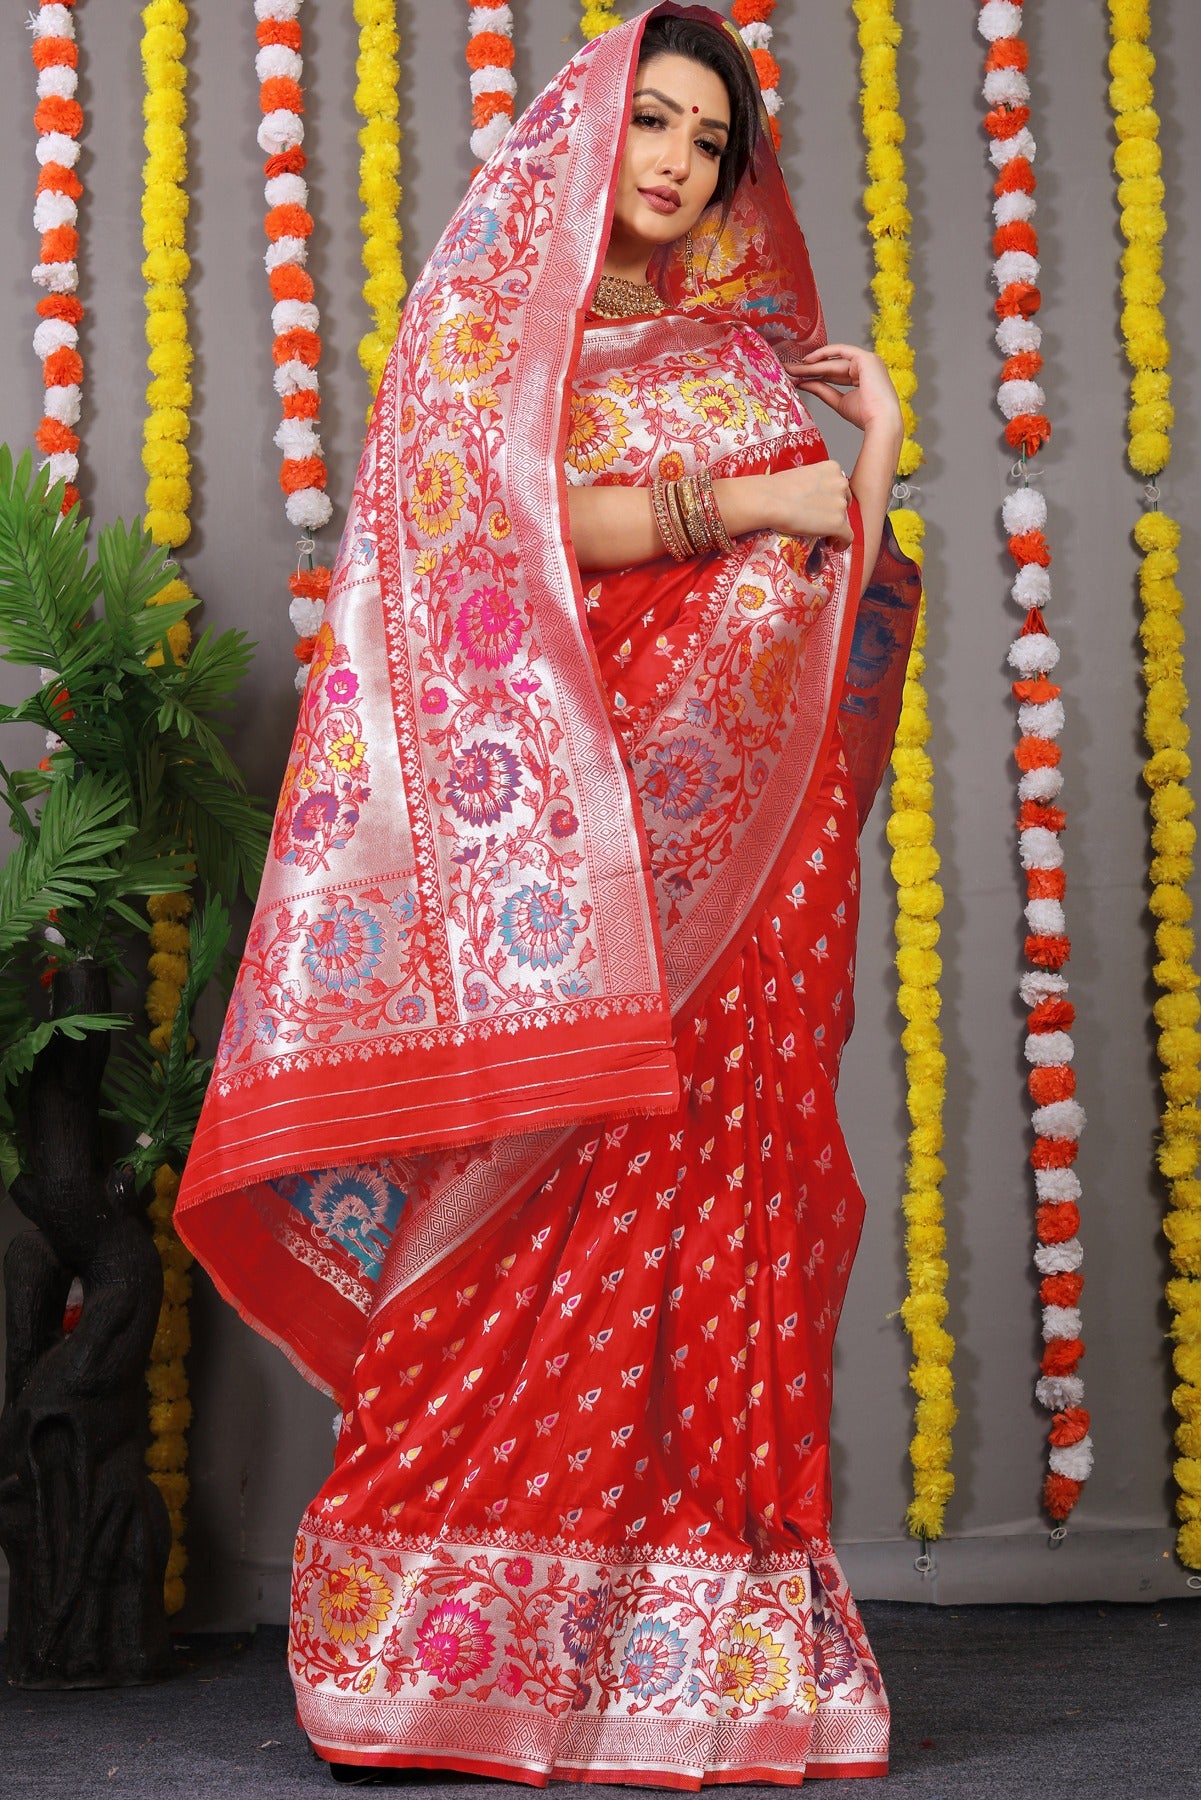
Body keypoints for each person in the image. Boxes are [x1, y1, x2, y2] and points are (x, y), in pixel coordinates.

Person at [177, 3, 920, 1784]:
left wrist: (869, 449)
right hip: (580, 896)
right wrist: (745, 495)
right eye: (649, 126)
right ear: (589, 141)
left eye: (704, 143)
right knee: (541, 1203)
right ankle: (441, 1656)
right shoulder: (502, 336)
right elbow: (489, 532)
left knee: (725, 1200)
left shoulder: (743, 347)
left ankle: (702, 1660)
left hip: (754, 892)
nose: (671, 164)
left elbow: (840, 593)